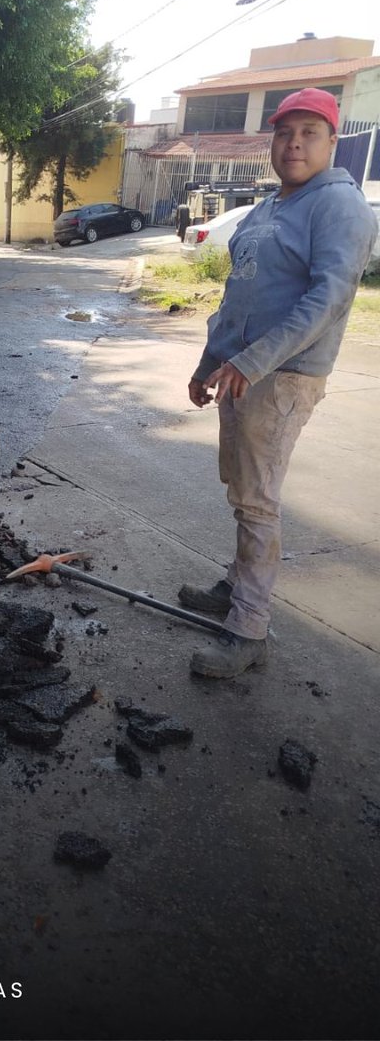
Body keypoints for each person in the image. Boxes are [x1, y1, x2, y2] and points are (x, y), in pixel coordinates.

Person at [181, 87, 377, 678]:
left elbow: (331, 296)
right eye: (284, 132)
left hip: (283, 376)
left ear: (332, 142)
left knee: (258, 500)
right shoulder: (272, 206)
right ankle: (239, 586)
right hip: (242, 371)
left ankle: (248, 630)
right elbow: (238, 294)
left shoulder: (338, 205)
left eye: (309, 133)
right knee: (242, 488)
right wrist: (208, 360)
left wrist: (252, 362)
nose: (294, 143)